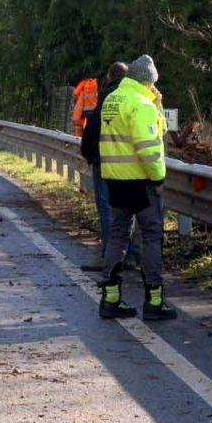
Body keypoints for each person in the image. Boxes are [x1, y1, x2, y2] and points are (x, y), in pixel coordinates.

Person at [97, 54, 177, 321]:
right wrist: (158, 178)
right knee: (152, 236)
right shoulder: (141, 103)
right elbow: (150, 145)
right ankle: (154, 301)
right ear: (148, 81)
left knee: (118, 235)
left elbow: (158, 129)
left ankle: (110, 299)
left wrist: (157, 105)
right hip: (141, 181)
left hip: (114, 179)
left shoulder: (113, 98)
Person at [78, 61, 132, 272]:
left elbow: (93, 128)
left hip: (106, 162)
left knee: (108, 208)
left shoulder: (109, 96)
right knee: (128, 210)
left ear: (109, 78)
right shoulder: (135, 97)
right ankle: (130, 255)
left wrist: (87, 152)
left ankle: (109, 257)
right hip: (130, 164)